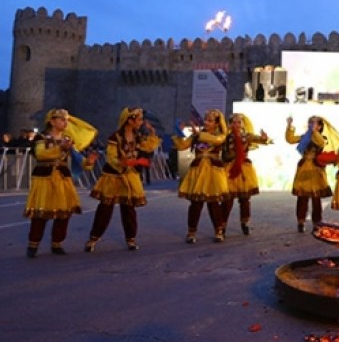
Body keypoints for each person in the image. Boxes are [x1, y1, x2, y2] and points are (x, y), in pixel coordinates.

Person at [23, 109, 98, 257]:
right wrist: (59, 148)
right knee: (41, 212)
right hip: (44, 178)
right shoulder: (42, 137)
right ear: (52, 121)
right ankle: (33, 244)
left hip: (62, 178)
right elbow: (40, 154)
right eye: (62, 120)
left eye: (66, 120)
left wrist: (88, 162)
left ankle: (57, 243)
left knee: (64, 212)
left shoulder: (67, 139)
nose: (65, 123)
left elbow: (77, 158)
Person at [86, 107, 161, 252]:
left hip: (129, 176)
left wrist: (152, 133)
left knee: (129, 208)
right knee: (105, 208)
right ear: (129, 120)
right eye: (138, 119)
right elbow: (112, 158)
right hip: (114, 176)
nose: (141, 122)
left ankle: (131, 239)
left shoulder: (137, 136)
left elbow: (149, 146)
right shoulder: (115, 137)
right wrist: (131, 163)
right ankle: (93, 239)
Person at [172, 109, 229, 243]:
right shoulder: (198, 134)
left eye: (210, 120)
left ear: (216, 123)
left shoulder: (220, 135)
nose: (206, 122)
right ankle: (191, 232)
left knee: (213, 202)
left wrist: (200, 134)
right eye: (206, 119)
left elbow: (217, 140)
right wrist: (179, 133)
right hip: (198, 171)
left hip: (212, 171)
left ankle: (218, 231)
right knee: (196, 203)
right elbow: (183, 146)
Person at [286, 115, 339, 232]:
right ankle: (300, 221)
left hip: (316, 169)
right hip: (303, 168)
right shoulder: (305, 137)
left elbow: (320, 142)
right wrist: (289, 125)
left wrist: (314, 132)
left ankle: (317, 222)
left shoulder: (322, 138)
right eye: (310, 123)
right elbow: (290, 139)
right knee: (302, 197)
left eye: (314, 123)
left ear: (320, 126)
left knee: (316, 198)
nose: (311, 125)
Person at [221, 113, 269, 236]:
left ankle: (245, 223)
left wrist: (264, 138)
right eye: (234, 122)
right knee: (228, 199)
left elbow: (260, 139)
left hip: (243, 169)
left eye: (239, 122)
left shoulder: (246, 136)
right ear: (230, 124)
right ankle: (222, 225)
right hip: (229, 168)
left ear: (242, 124)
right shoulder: (225, 137)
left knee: (245, 199)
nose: (237, 124)